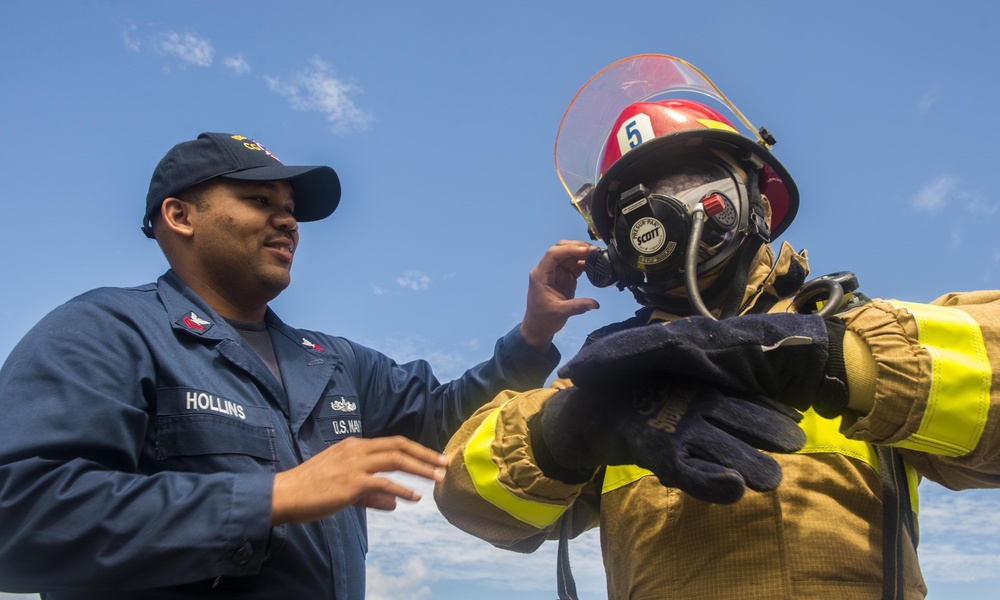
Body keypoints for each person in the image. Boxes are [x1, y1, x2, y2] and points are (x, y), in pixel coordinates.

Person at [434, 54, 1000, 600]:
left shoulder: (857, 325)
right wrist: (569, 426)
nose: (660, 210)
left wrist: (841, 361)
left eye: (686, 179)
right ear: (614, 247)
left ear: (756, 199)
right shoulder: (615, 377)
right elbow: (465, 495)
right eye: (635, 201)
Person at [0, 131, 599, 599]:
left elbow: (446, 420)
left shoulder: (332, 361)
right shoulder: (106, 331)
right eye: (259, 201)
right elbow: (18, 513)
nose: (288, 221)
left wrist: (532, 334)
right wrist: (271, 497)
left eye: (290, 209)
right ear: (179, 217)